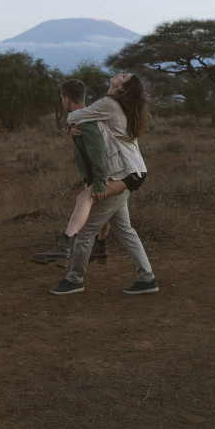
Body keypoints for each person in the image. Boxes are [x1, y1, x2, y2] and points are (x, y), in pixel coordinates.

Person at [49, 73, 158, 296]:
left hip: (124, 174)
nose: (121, 73)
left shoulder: (108, 104)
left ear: (121, 89)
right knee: (125, 230)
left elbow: (73, 117)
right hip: (132, 171)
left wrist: (74, 125)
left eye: (125, 77)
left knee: (87, 228)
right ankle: (146, 277)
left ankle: (74, 278)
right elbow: (95, 128)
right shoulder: (113, 106)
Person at [31, 78, 130, 267]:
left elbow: (99, 153)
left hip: (104, 175)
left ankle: (68, 258)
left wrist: (100, 182)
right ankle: (100, 248)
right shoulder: (89, 115)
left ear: (66, 99)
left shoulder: (87, 120)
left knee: (86, 212)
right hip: (115, 172)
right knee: (120, 222)